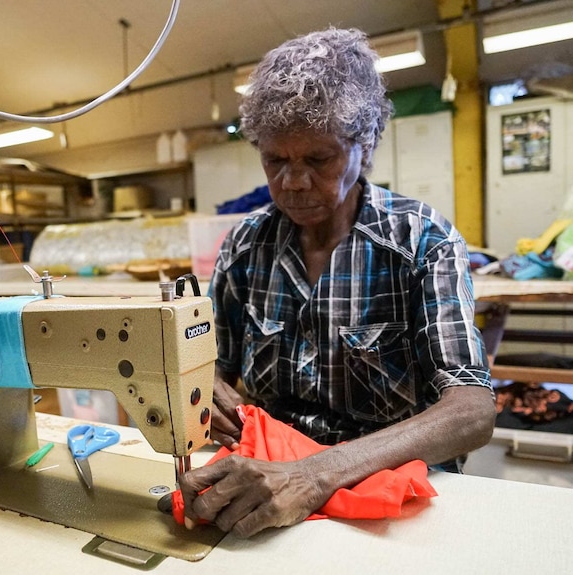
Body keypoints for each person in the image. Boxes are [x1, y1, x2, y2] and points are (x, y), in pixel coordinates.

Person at [179, 26, 495, 538]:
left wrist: (315, 472)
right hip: (267, 481)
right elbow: (212, 366)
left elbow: (471, 411)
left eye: (317, 160)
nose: (292, 181)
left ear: (363, 144)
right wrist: (206, 391)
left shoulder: (420, 240)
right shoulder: (245, 245)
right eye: (275, 160)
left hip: (386, 493)